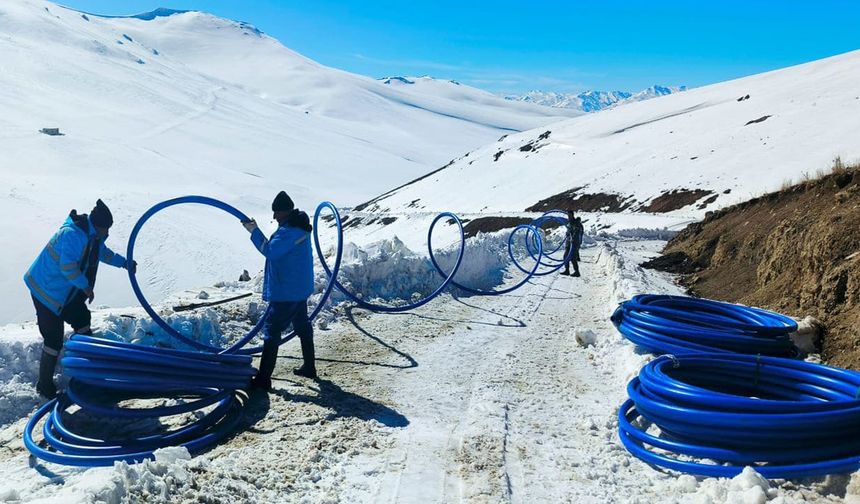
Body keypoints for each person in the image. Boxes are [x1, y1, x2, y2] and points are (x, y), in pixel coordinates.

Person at [24, 199, 136, 399]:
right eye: (106, 229)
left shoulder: (92, 235)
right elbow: (67, 267)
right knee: (53, 338)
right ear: (98, 225)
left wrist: (124, 263)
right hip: (46, 291)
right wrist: (85, 286)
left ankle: (88, 372)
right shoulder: (73, 235)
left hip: (66, 291)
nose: (107, 234)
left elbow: (104, 253)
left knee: (82, 320)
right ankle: (44, 386)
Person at [242, 191, 315, 390]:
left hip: (287, 291)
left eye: (277, 213)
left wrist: (254, 231)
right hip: (299, 288)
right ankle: (310, 367)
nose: (274, 217)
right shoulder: (298, 227)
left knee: (272, 331)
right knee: (301, 325)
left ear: (285, 212)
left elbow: (271, 251)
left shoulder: (289, 232)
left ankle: (263, 380)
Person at [562, 210, 584, 277]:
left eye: (570, 215)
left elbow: (577, 232)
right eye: (568, 215)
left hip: (574, 243)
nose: (568, 216)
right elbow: (569, 231)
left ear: (572, 215)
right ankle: (567, 270)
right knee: (566, 256)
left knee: (573, 258)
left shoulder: (576, 223)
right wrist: (567, 234)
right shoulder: (569, 223)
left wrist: (573, 238)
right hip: (569, 242)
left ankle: (577, 272)